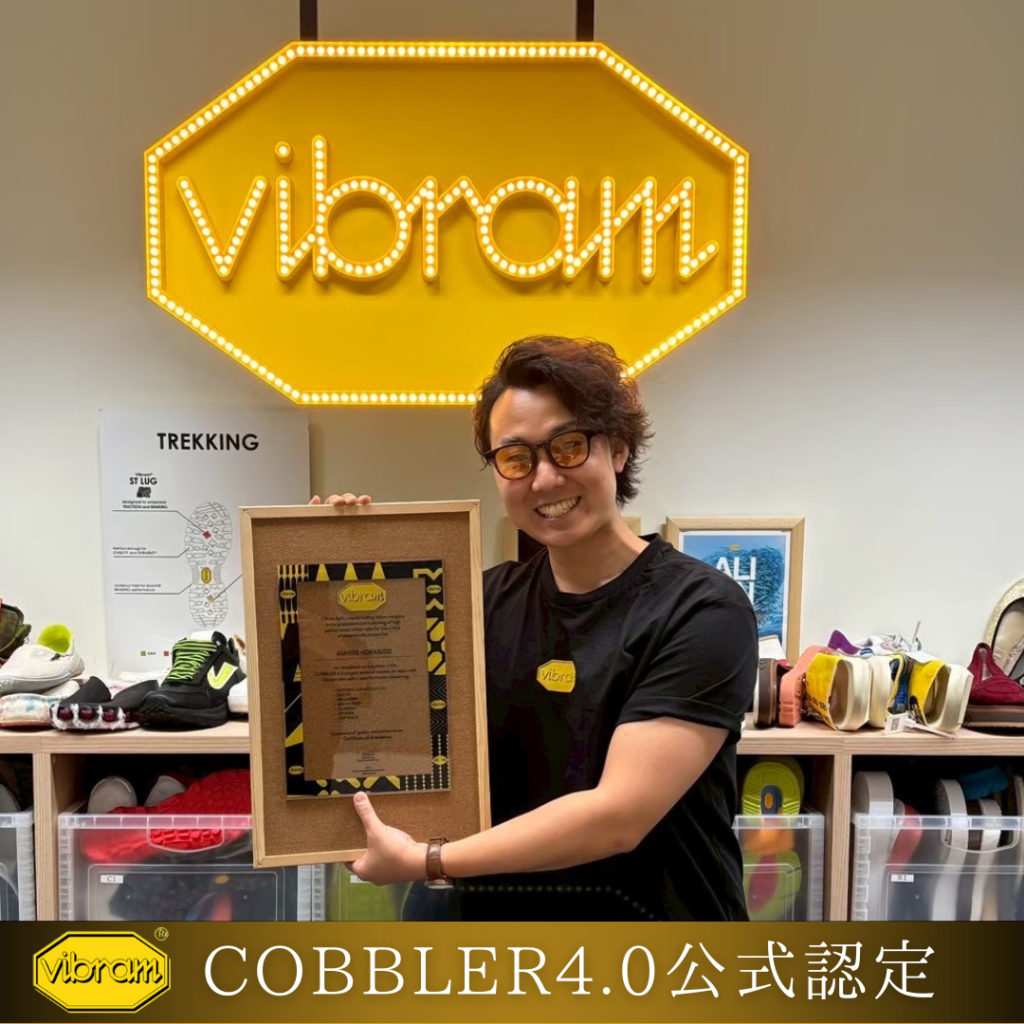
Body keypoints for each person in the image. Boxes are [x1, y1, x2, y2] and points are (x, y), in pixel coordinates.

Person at [310, 335, 757, 920]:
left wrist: (429, 861)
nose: (544, 479)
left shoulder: (702, 609)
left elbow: (618, 817)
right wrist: (323, 576)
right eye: (517, 458)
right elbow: (372, 722)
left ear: (618, 448)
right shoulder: (476, 603)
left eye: (568, 446)